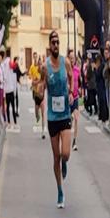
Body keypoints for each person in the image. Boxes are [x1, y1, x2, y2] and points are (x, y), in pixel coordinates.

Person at [42, 31, 73, 207]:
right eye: (53, 42)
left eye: (58, 42)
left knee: (65, 153)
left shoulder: (65, 62)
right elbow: (41, 84)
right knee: (55, 156)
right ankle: (60, 191)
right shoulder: (45, 66)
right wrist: (39, 89)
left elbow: (71, 77)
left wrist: (70, 92)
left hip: (65, 114)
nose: (56, 45)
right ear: (49, 45)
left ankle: (65, 162)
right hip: (53, 116)